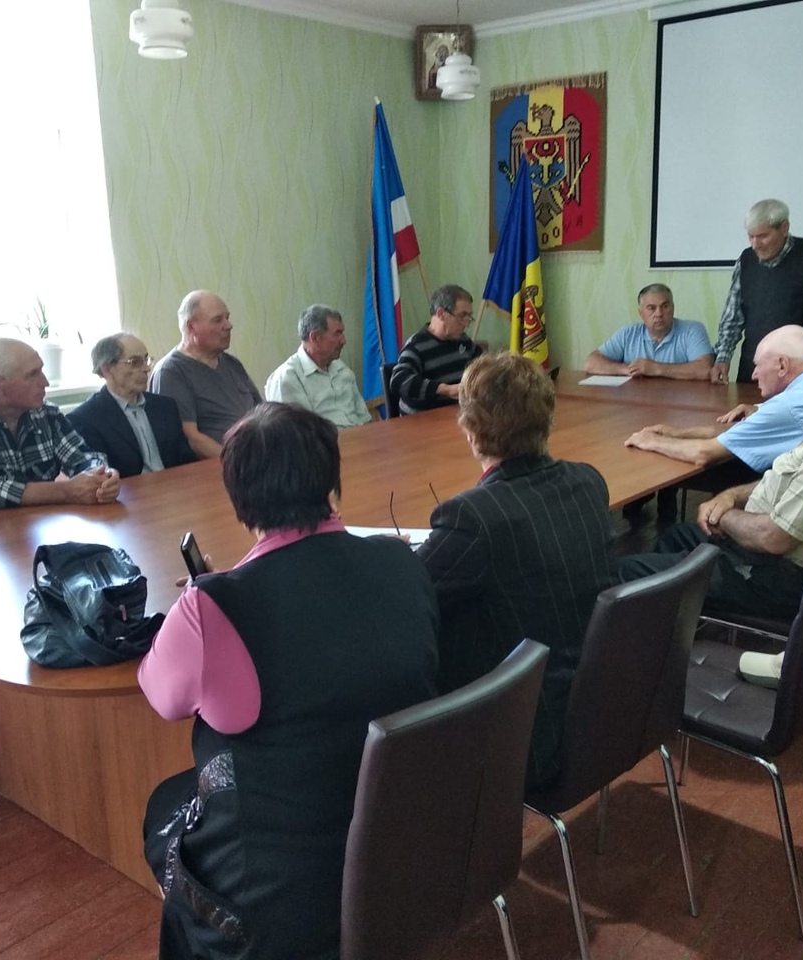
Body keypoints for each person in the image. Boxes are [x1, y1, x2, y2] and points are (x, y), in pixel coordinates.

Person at [139, 403, 438, 960]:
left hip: (282, 898)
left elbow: (162, 695)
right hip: (404, 843)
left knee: (165, 807)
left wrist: (206, 600)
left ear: (239, 499)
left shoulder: (215, 605)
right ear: (331, 479)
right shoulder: (400, 560)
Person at [621, 313, 803, 623]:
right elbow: (798, 478)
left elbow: (773, 538)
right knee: (678, 537)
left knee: (628, 572)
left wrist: (723, 515)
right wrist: (733, 496)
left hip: (784, 576)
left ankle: (662, 630)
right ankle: (673, 629)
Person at [417, 353, 616, 790]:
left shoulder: (472, 517)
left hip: (526, 733)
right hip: (601, 710)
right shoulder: (589, 481)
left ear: (471, 431)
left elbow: (407, 594)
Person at [0, 338, 118, 513]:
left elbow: (83, 457)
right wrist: (66, 491)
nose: (45, 382)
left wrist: (102, 477)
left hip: (39, 524)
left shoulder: (46, 414)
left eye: (41, 370)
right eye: (32, 375)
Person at [624, 325, 803, 475]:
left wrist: (651, 441)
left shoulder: (788, 406)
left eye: (758, 365)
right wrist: (675, 433)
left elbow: (703, 453)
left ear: (782, 365)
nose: (754, 374)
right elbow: (742, 432)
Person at [710, 199, 803, 384]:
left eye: (762, 236)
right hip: (754, 369)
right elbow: (732, 317)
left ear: (784, 228)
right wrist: (722, 357)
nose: (755, 245)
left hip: (798, 372)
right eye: (751, 237)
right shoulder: (746, 260)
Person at [150, 290, 262, 458]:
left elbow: (263, 411)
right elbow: (192, 439)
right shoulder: (171, 372)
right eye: (218, 320)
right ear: (191, 326)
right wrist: (238, 464)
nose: (228, 325)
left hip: (259, 456)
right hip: (223, 465)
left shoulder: (232, 363)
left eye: (227, 317)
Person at [68, 333, 195, 478]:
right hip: (129, 490)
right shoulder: (86, 419)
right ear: (107, 369)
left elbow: (186, 459)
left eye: (146, 360)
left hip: (174, 485)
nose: (146, 368)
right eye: (135, 362)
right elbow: (103, 475)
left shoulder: (165, 407)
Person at [263, 304, 371, 428]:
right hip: (330, 440)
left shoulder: (341, 368)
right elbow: (298, 434)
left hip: (362, 436)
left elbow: (365, 418)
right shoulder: (287, 379)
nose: (343, 341)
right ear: (315, 338)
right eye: (337, 334)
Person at [584, 283, 714, 380]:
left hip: (680, 404)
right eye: (651, 308)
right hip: (637, 402)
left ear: (673, 308)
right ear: (641, 313)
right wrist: (628, 369)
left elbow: (704, 369)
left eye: (665, 306)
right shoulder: (628, 333)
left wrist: (656, 368)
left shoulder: (692, 330)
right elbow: (591, 363)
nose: (659, 314)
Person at [390, 284, 484, 415]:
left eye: (469, 317)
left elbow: (485, 368)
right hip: (422, 419)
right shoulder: (417, 345)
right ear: (441, 314)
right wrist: (445, 390)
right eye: (462, 317)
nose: (466, 324)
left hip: (456, 414)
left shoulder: (464, 341)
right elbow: (399, 381)